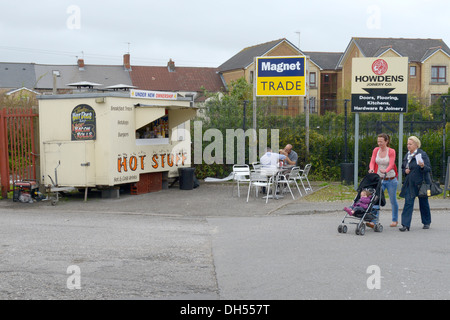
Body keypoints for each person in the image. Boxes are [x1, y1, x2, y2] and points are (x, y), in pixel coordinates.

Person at [398, 136, 432, 232]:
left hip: (421, 183)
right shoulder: (407, 155)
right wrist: (405, 171)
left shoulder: (422, 154)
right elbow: (403, 167)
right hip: (410, 183)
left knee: (423, 203)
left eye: (410, 144)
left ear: (416, 145)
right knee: (408, 202)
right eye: (407, 144)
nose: (408, 146)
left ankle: (426, 222)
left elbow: (428, 168)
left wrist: (422, 166)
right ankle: (405, 224)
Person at [368, 133, 399, 227]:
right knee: (376, 199)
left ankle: (395, 220)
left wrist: (386, 170)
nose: (379, 143)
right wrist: (372, 169)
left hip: (391, 179)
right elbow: (372, 161)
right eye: (378, 141)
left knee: (393, 200)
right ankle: (374, 221)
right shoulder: (376, 150)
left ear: (386, 141)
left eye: (381, 141)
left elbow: (391, 164)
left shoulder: (391, 151)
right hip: (379, 179)